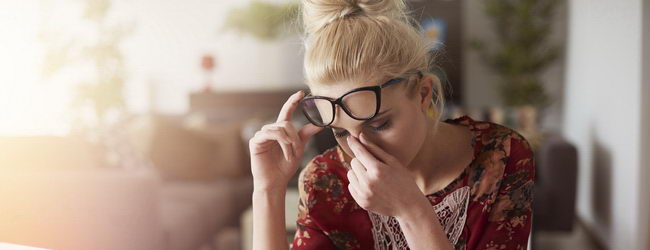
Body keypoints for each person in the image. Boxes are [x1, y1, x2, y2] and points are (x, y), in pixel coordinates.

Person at [248, 0, 535, 249]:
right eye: (341, 132)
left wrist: (412, 212)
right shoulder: (326, 181)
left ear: (423, 94)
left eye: (380, 124)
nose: (362, 151)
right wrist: (268, 189)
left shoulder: (501, 158)